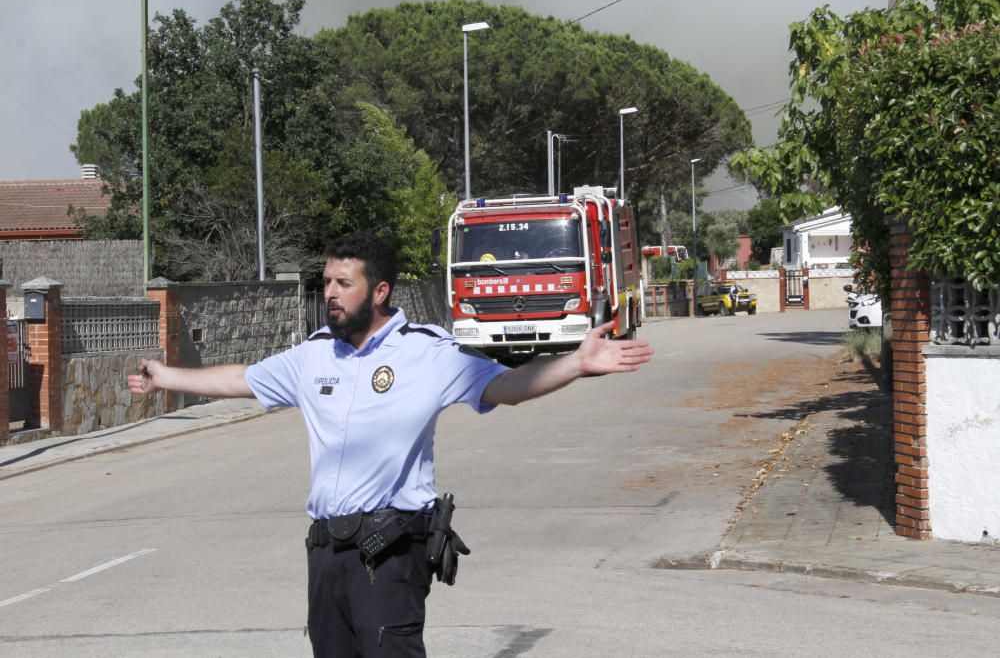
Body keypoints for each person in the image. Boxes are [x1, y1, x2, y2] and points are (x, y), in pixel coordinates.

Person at [128, 232, 652, 657]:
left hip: (389, 557)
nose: (329, 292)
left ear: (378, 292)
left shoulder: (427, 354)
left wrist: (575, 364)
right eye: (326, 281)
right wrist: (165, 375)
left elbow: (504, 388)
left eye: (343, 283)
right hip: (326, 556)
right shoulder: (312, 357)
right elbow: (241, 380)